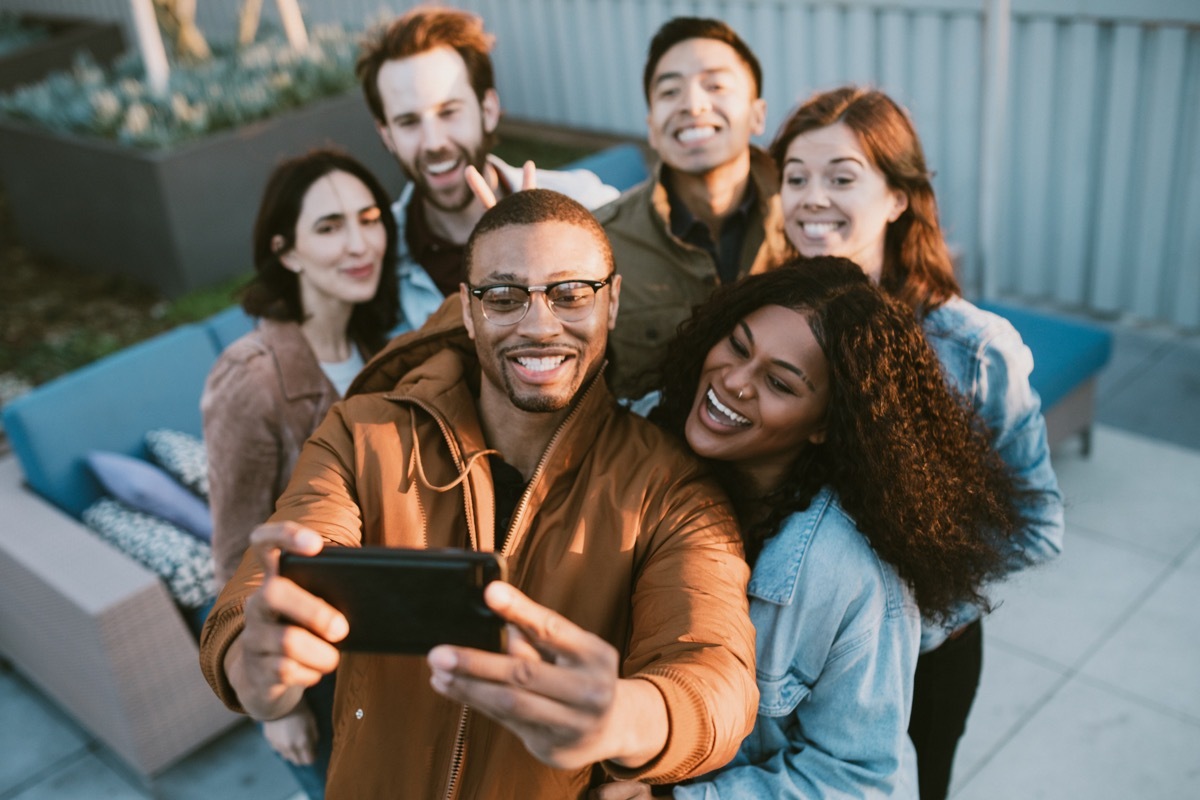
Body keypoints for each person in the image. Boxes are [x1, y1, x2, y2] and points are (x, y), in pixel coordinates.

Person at [198, 189, 758, 799]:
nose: (540, 325)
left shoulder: (673, 490)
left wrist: (628, 716)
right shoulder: (362, 432)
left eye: (571, 294)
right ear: (467, 311)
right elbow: (252, 600)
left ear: (613, 302)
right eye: (504, 297)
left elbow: (717, 675)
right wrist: (255, 668)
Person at [595, 257, 1027, 799]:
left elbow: (856, 780)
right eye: (736, 344)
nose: (733, 382)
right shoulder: (647, 425)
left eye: (779, 382)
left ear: (826, 423)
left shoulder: (849, 572)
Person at [768, 86, 1065, 799]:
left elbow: (1039, 524)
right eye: (796, 176)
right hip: (786, 655)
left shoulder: (976, 349)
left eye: (842, 177)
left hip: (927, 659)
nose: (813, 197)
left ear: (899, 197)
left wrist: (913, 593)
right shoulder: (768, 319)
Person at [200, 148, 399, 799]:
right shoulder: (251, 376)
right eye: (329, 227)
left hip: (389, 636)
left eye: (369, 219)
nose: (359, 241)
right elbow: (235, 549)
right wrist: (279, 707)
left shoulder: (381, 349)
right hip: (317, 657)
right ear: (286, 252)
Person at [356, 4, 619, 333]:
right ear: (387, 136)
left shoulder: (586, 205)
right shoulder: (373, 260)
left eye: (448, 112)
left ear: (489, 109)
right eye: (408, 122)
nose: (434, 142)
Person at [595, 16, 790, 398]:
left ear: (757, 114)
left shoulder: (805, 219)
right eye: (670, 92)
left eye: (715, 85)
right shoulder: (601, 245)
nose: (693, 105)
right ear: (652, 126)